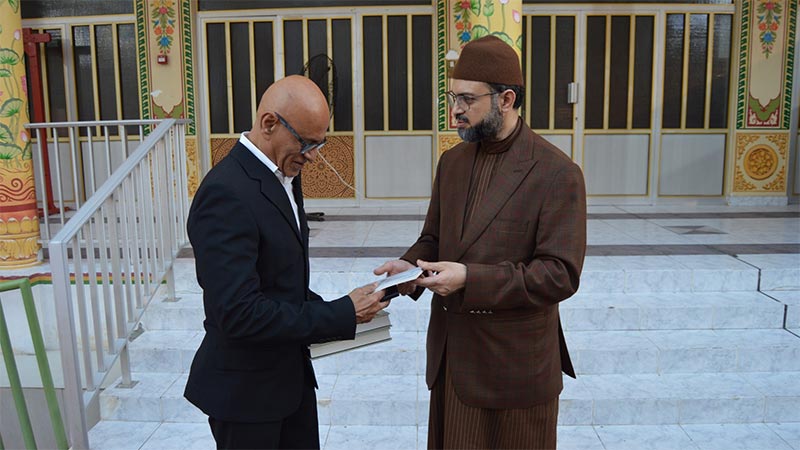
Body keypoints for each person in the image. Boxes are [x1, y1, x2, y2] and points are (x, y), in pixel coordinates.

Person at [375, 35, 587, 449]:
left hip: (515, 372)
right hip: (453, 363)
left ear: (506, 99)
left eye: (468, 100)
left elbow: (560, 274)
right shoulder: (452, 163)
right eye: (452, 97)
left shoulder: (557, 173)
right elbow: (434, 238)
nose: (455, 110)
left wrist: (471, 278)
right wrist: (408, 267)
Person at [184, 75, 387, 449]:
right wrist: (341, 314)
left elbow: (278, 282)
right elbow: (239, 312)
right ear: (268, 124)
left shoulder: (283, 176)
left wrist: (347, 306)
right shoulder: (226, 192)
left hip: (289, 384)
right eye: (306, 142)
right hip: (247, 397)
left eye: (320, 143)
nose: (313, 155)